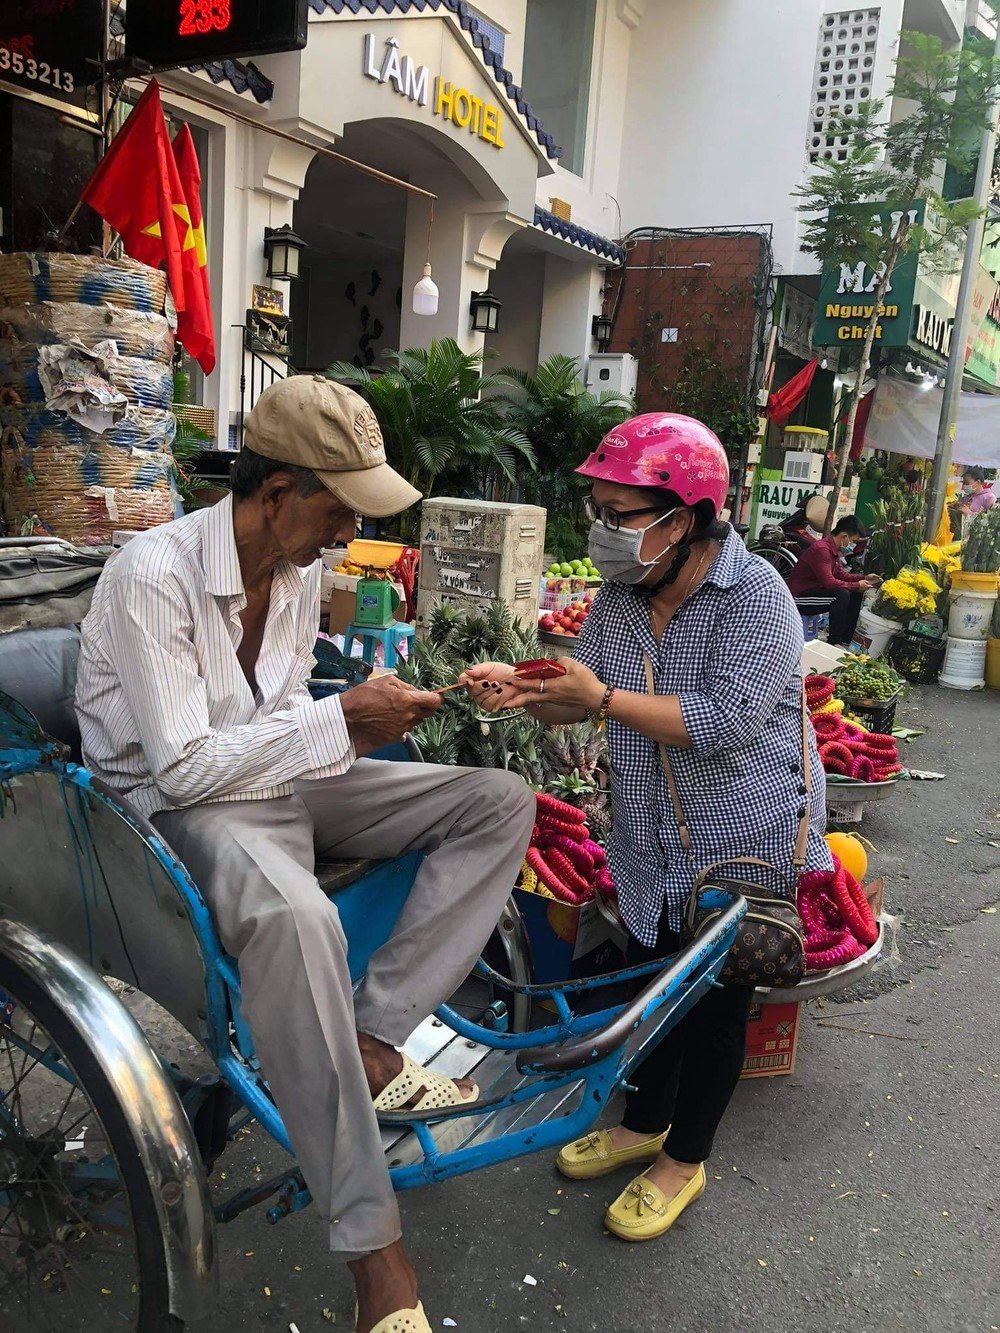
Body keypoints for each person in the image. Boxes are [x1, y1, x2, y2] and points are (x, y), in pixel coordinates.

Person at [75, 375, 535, 1333]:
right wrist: (338, 724)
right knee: (299, 915)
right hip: (172, 810)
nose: (346, 533)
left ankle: (369, 1038)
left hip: (274, 786)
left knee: (497, 803)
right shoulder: (152, 573)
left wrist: (364, 716)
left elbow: (282, 720)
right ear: (277, 491)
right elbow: (187, 765)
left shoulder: (292, 574)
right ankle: (375, 1250)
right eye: (339, 509)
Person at [461, 413, 833, 1243]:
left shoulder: (757, 597)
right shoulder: (623, 599)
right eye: (595, 509)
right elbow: (584, 688)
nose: (602, 531)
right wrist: (523, 685)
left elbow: (728, 717)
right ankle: (642, 1121)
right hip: (646, 830)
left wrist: (595, 698)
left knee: (715, 1000)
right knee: (648, 976)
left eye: (619, 514)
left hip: (745, 827)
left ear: (685, 516)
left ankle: (686, 1157)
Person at [785, 514, 879, 647]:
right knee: (841, 595)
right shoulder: (822, 550)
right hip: (798, 598)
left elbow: (841, 574)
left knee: (855, 592)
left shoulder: (833, 550)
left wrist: (864, 578)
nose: (853, 545)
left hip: (814, 592)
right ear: (844, 536)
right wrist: (856, 585)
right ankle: (834, 641)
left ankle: (845, 640)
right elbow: (829, 582)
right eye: (853, 541)